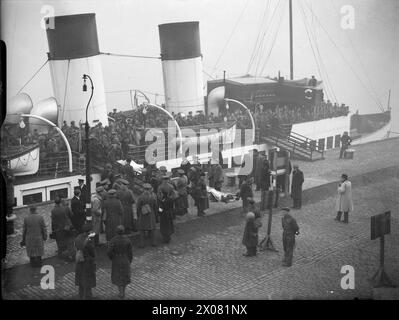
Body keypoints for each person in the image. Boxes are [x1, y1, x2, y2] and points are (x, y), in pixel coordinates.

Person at [107, 225, 133, 299]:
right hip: (125, 259)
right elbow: (130, 252)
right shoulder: (127, 240)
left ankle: (120, 292)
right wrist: (129, 260)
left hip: (116, 259)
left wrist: (112, 258)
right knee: (125, 275)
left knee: (118, 276)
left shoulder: (113, 240)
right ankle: (123, 292)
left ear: (116, 232)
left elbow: (109, 252)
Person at [74, 224, 96, 299]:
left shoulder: (77, 238)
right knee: (88, 279)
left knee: (80, 279)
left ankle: (81, 294)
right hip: (87, 262)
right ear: (86, 232)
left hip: (79, 262)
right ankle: (88, 295)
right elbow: (92, 252)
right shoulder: (88, 241)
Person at [136, 183, 158, 248]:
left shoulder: (140, 197)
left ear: (143, 189)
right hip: (151, 214)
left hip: (143, 215)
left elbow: (138, 207)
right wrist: (155, 215)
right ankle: (153, 243)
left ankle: (142, 244)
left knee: (142, 230)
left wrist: (138, 214)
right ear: (150, 189)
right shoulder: (153, 197)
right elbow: (156, 207)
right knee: (152, 229)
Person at [157, 175, 175, 243]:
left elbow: (160, 206)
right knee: (169, 224)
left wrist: (159, 213)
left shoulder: (160, 187)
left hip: (164, 214)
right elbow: (173, 197)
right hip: (169, 212)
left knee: (164, 225)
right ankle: (169, 236)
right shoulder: (171, 186)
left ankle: (165, 237)